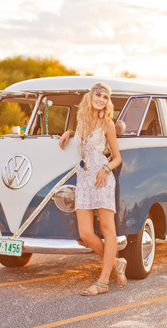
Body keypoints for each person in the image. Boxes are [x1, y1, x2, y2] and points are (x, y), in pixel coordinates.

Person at [59, 82, 125, 296]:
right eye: (98, 95)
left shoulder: (108, 124)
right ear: (91, 96)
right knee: (86, 233)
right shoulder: (80, 121)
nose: (101, 100)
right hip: (84, 179)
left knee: (107, 230)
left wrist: (106, 169)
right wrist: (68, 133)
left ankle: (103, 282)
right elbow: (81, 141)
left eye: (106, 98)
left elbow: (117, 158)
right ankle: (116, 263)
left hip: (102, 179)